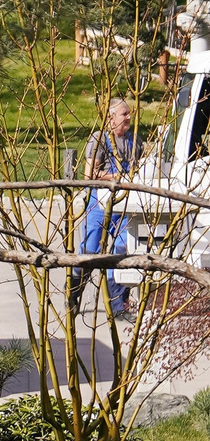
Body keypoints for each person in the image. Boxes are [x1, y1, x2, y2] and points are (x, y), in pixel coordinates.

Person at [73, 98, 142, 318]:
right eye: (124, 114)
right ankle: (74, 292)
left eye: (129, 113)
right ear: (111, 117)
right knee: (90, 252)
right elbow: (90, 174)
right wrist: (114, 176)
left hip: (124, 205)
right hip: (99, 204)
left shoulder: (135, 141)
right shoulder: (99, 139)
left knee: (122, 250)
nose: (129, 117)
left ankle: (118, 305)